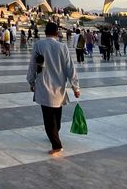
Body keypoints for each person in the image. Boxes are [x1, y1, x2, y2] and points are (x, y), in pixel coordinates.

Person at [27, 22, 80, 155]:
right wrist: (75, 87)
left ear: (45, 33)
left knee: (49, 118)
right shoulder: (62, 47)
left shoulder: (39, 45)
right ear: (57, 33)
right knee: (56, 115)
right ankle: (54, 134)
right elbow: (70, 68)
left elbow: (33, 65)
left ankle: (56, 145)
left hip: (44, 86)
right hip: (59, 88)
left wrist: (31, 81)